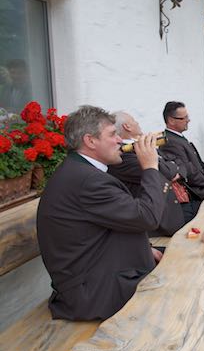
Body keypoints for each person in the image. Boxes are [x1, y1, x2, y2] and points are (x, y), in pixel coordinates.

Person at [37, 105, 167, 321]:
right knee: (181, 287)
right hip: (92, 293)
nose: (120, 140)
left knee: (179, 259)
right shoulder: (89, 181)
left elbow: (111, 223)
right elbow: (148, 217)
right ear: (90, 141)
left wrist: (145, 248)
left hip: (94, 274)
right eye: (113, 134)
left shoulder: (80, 171)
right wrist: (151, 167)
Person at [108, 111, 185, 234]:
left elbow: (178, 162)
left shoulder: (139, 145)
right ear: (127, 126)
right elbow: (166, 173)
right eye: (134, 120)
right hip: (159, 223)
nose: (137, 122)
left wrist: (171, 167)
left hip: (172, 210)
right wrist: (171, 168)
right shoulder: (123, 155)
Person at [160, 101, 204, 223]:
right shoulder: (170, 141)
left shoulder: (177, 137)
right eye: (184, 118)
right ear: (171, 121)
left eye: (187, 116)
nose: (188, 120)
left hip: (203, 183)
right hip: (197, 191)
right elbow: (190, 173)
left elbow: (198, 162)